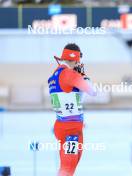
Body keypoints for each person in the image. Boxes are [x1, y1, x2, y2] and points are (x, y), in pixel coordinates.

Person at [48, 43, 96, 176]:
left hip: (60, 126)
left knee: (66, 167)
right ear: (75, 59)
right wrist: (84, 76)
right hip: (72, 129)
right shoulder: (70, 74)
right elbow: (92, 91)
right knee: (69, 168)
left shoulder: (55, 74)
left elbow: (73, 97)